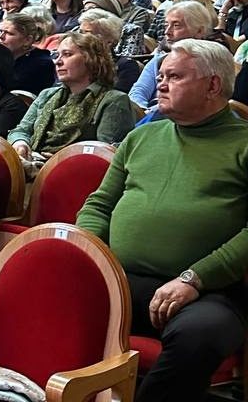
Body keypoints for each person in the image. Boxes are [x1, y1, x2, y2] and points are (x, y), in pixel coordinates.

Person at [78, 40, 248, 402]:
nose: (161, 85)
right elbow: (100, 204)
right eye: (161, 76)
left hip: (208, 291)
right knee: (45, 292)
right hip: (121, 276)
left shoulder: (243, 144)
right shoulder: (142, 136)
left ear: (213, 85)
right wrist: (91, 259)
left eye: (174, 76)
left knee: (201, 334)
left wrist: (195, 278)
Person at [7, 33, 135, 178]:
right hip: (33, 163)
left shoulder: (113, 100)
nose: (57, 62)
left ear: (92, 60)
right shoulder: (47, 94)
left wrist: (64, 159)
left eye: (67, 54)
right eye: (57, 55)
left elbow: (107, 155)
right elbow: (21, 130)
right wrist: (21, 144)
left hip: (76, 176)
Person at [130, 1, 216, 112]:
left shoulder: (213, 62)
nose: (167, 32)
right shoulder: (160, 60)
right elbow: (138, 92)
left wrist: (154, 112)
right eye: (166, 25)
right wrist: (143, 112)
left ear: (199, 31)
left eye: (176, 26)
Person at [78, 8, 140, 93]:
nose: (80, 38)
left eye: (87, 33)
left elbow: (118, 98)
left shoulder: (125, 66)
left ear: (109, 41)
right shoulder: (74, 62)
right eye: (80, 32)